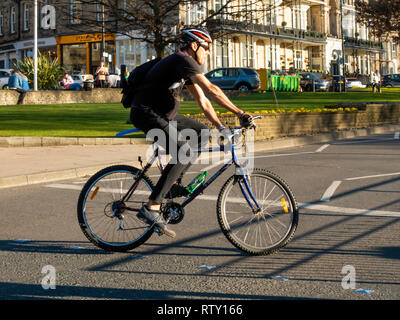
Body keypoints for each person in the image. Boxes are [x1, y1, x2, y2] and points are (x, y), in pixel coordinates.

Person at [130, 27, 255, 237]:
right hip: (146, 113)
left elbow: (203, 101)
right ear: (194, 45)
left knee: (202, 133)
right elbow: (211, 89)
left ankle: (173, 184)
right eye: (206, 48)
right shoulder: (182, 60)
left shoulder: (184, 67)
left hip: (162, 114)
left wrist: (219, 126)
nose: (207, 53)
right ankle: (152, 206)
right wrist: (240, 112)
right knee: (184, 151)